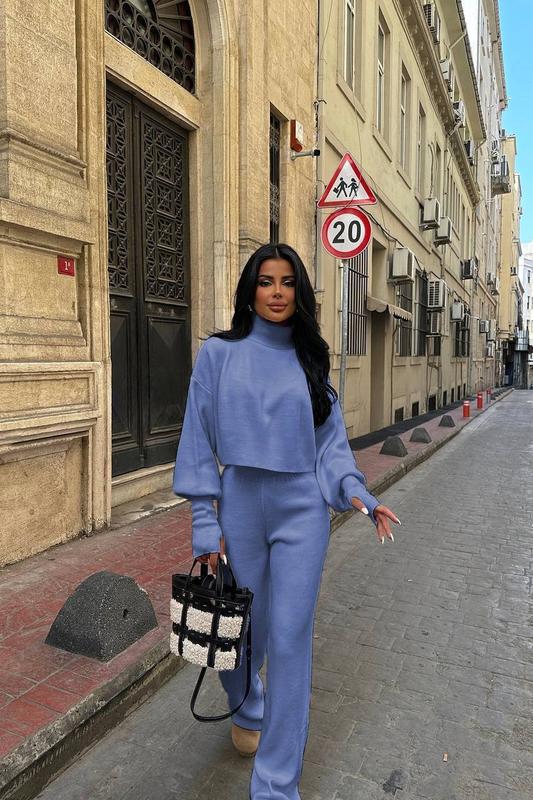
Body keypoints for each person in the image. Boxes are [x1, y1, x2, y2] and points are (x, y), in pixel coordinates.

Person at [173, 243, 400, 800]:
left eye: (288, 282)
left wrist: (358, 495)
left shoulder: (310, 359)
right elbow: (197, 439)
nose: (277, 292)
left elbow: (331, 448)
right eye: (266, 281)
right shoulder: (218, 355)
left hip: (303, 508)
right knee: (238, 629)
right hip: (240, 503)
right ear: (250, 290)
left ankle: (275, 783)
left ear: (300, 292)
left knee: (292, 637)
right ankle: (248, 705)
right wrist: (204, 521)